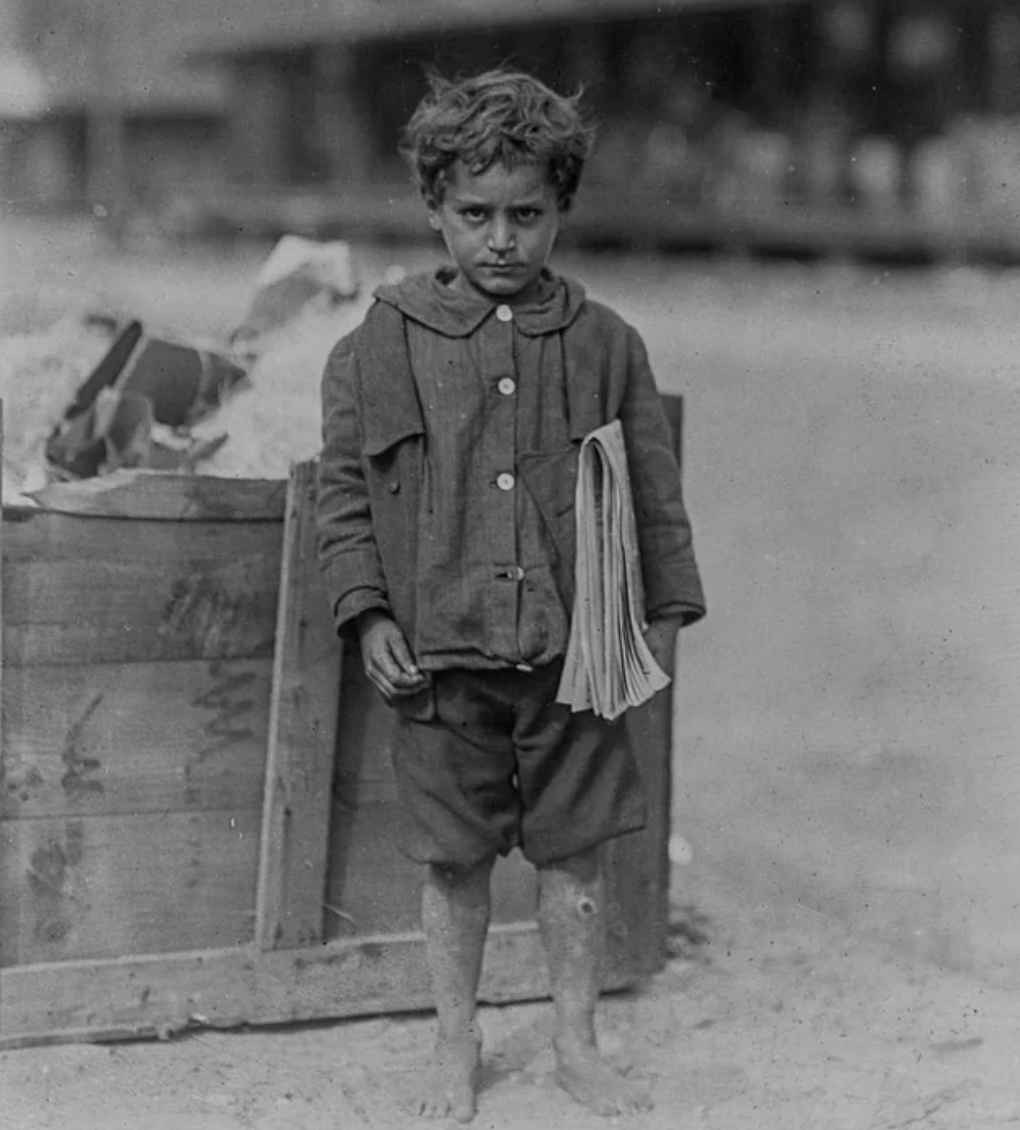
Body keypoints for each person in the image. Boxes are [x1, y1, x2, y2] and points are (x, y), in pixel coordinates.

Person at [316, 68, 705, 1123]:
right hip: (439, 661)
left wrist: (656, 619)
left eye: (526, 215)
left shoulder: (605, 342)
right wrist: (368, 610)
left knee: (576, 851)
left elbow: (655, 494)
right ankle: (456, 1042)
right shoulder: (377, 344)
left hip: (573, 656)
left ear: (561, 210)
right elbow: (345, 495)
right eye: (475, 214)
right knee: (452, 859)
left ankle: (576, 1038)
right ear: (434, 208)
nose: (500, 240)